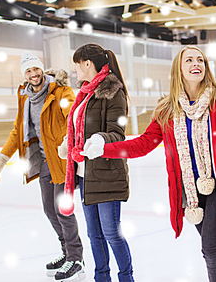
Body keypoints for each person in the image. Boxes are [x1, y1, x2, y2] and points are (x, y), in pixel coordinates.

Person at [81, 46, 216, 282]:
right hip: (189, 191)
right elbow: (143, 144)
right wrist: (105, 148)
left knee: (210, 248)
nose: (196, 64)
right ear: (179, 69)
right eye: (189, 60)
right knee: (212, 242)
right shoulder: (167, 110)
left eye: (200, 60)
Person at [0, 51, 85, 281]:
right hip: (43, 162)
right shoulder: (24, 97)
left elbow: (73, 116)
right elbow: (18, 130)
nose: (33, 74)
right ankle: (66, 252)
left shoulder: (60, 91)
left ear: (42, 69)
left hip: (62, 159)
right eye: (28, 71)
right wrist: (2, 159)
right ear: (24, 74)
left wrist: (67, 143)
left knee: (63, 209)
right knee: (50, 210)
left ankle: (76, 259)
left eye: (36, 69)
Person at [58, 43, 134, 282]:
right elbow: (78, 129)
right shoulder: (85, 93)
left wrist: (100, 139)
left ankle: (126, 278)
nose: (75, 71)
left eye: (77, 65)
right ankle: (101, 278)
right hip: (85, 174)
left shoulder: (113, 90)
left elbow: (117, 133)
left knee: (111, 233)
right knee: (94, 235)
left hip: (107, 173)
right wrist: (67, 143)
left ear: (87, 63)